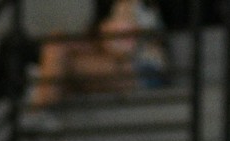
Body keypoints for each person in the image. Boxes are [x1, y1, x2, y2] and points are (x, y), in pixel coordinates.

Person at [29, 0, 166, 110]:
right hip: (110, 60)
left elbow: (125, 48)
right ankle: (41, 111)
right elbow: (98, 38)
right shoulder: (106, 6)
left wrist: (108, 38)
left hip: (141, 70)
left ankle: (38, 111)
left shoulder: (141, 7)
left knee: (61, 68)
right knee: (56, 43)